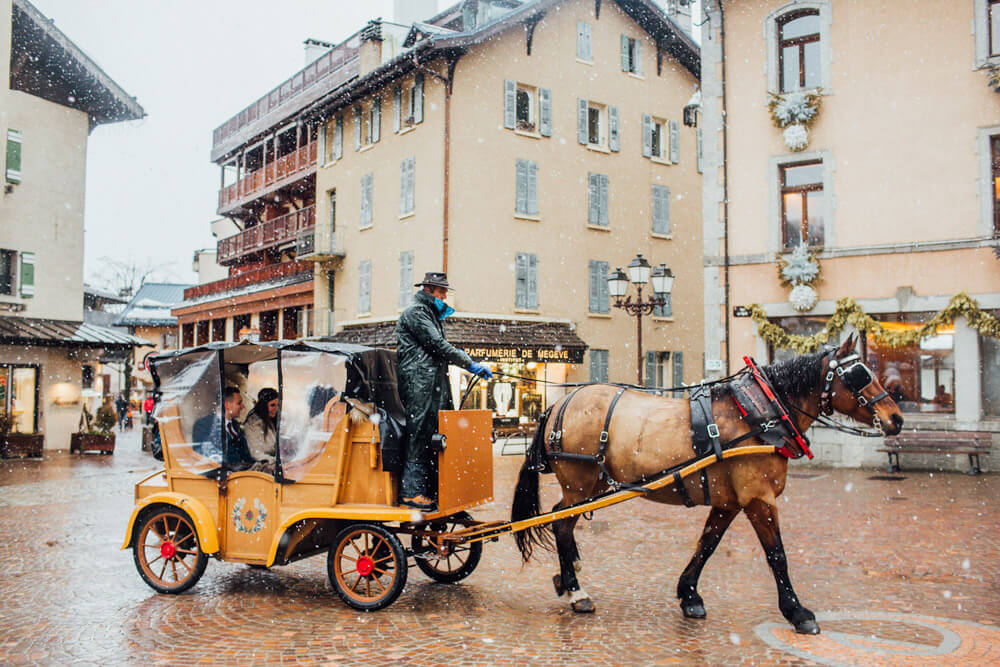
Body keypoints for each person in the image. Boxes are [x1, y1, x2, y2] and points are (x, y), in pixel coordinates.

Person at [396, 272, 493, 510]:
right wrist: (468, 363)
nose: (445, 296)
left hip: (430, 380)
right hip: (419, 381)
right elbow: (437, 345)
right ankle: (411, 492)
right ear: (429, 290)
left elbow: (438, 347)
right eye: (441, 291)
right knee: (418, 432)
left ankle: (430, 488)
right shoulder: (417, 313)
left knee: (435, 432)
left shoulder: (429, 314)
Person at [191, 387, 256, 471]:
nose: (243, 406)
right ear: (227, 405)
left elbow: (246, 457)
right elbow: (207, 457)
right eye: (239, 403)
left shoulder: (236, 425)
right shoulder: (204, 425)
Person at [244, 387, 278, 472]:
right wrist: (276, 460)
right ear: (264, 406)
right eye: (272, 405)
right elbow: (256, 453)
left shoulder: (269, 420)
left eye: (278, 405)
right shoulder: (253, 424)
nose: (276, 409)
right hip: (259, 468)